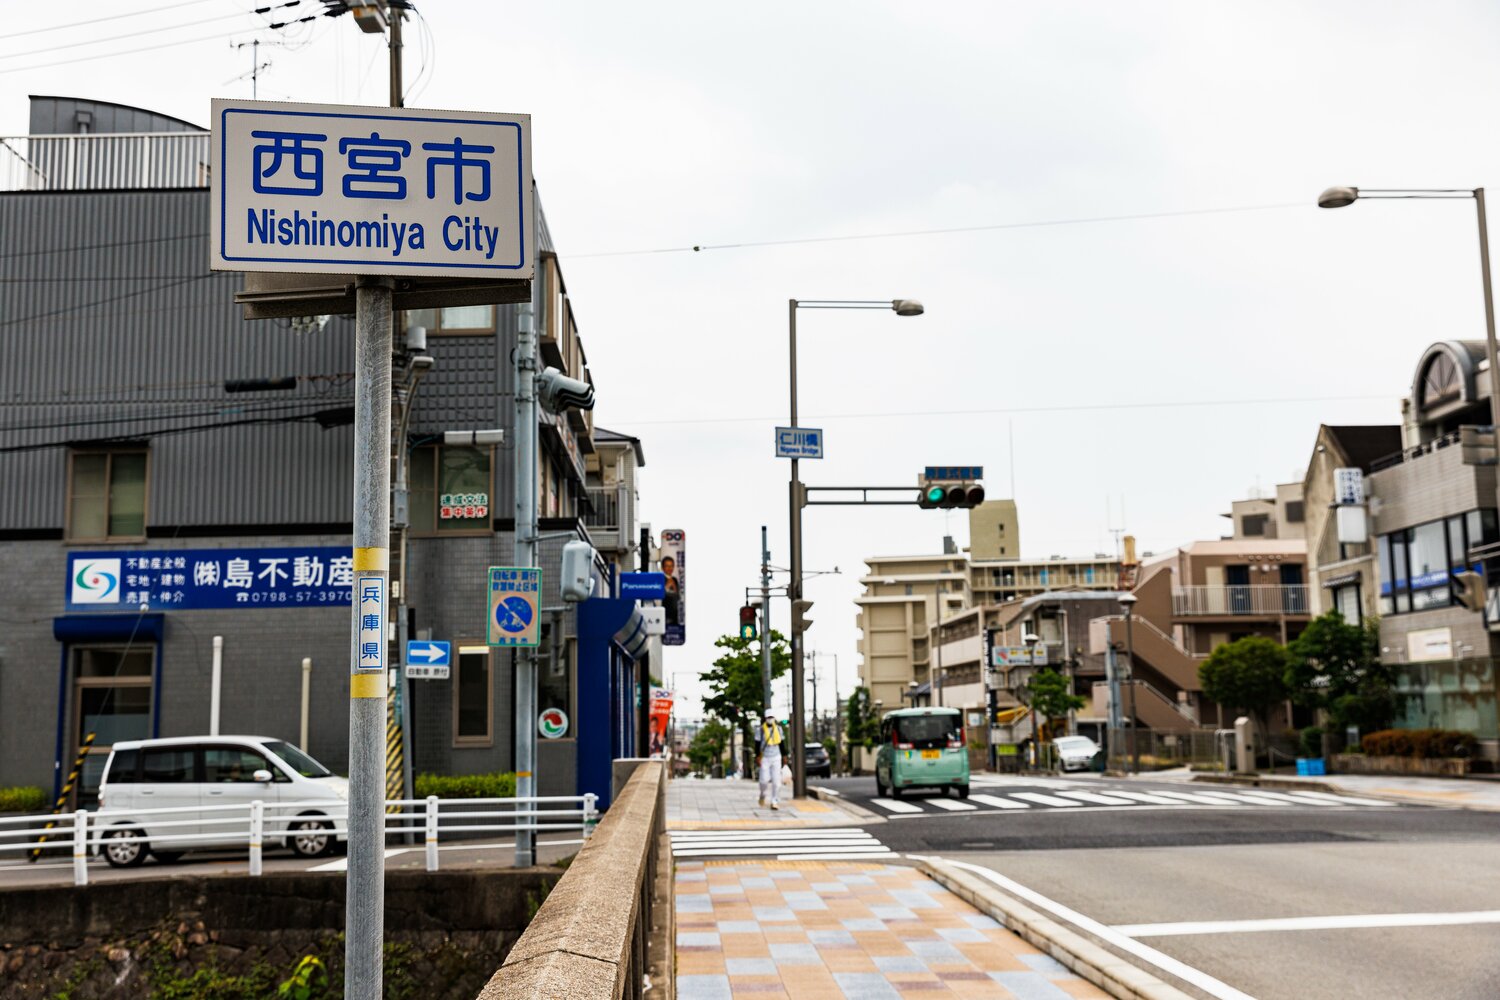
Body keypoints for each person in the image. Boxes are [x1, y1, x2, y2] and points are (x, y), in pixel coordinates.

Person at [755, 709, 784, 810]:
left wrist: (784, 756)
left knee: (777, 782)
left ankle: (774, 801)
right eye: (768, 717)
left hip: (776, 757)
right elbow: (757, 744)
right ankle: (762, 794)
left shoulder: (779, 729)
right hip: (765, 757)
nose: (770, 719)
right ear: (765, 718)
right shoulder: (760, 730)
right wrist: (757, 756)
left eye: (772, 717)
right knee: (764, 780)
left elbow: (782, 744)